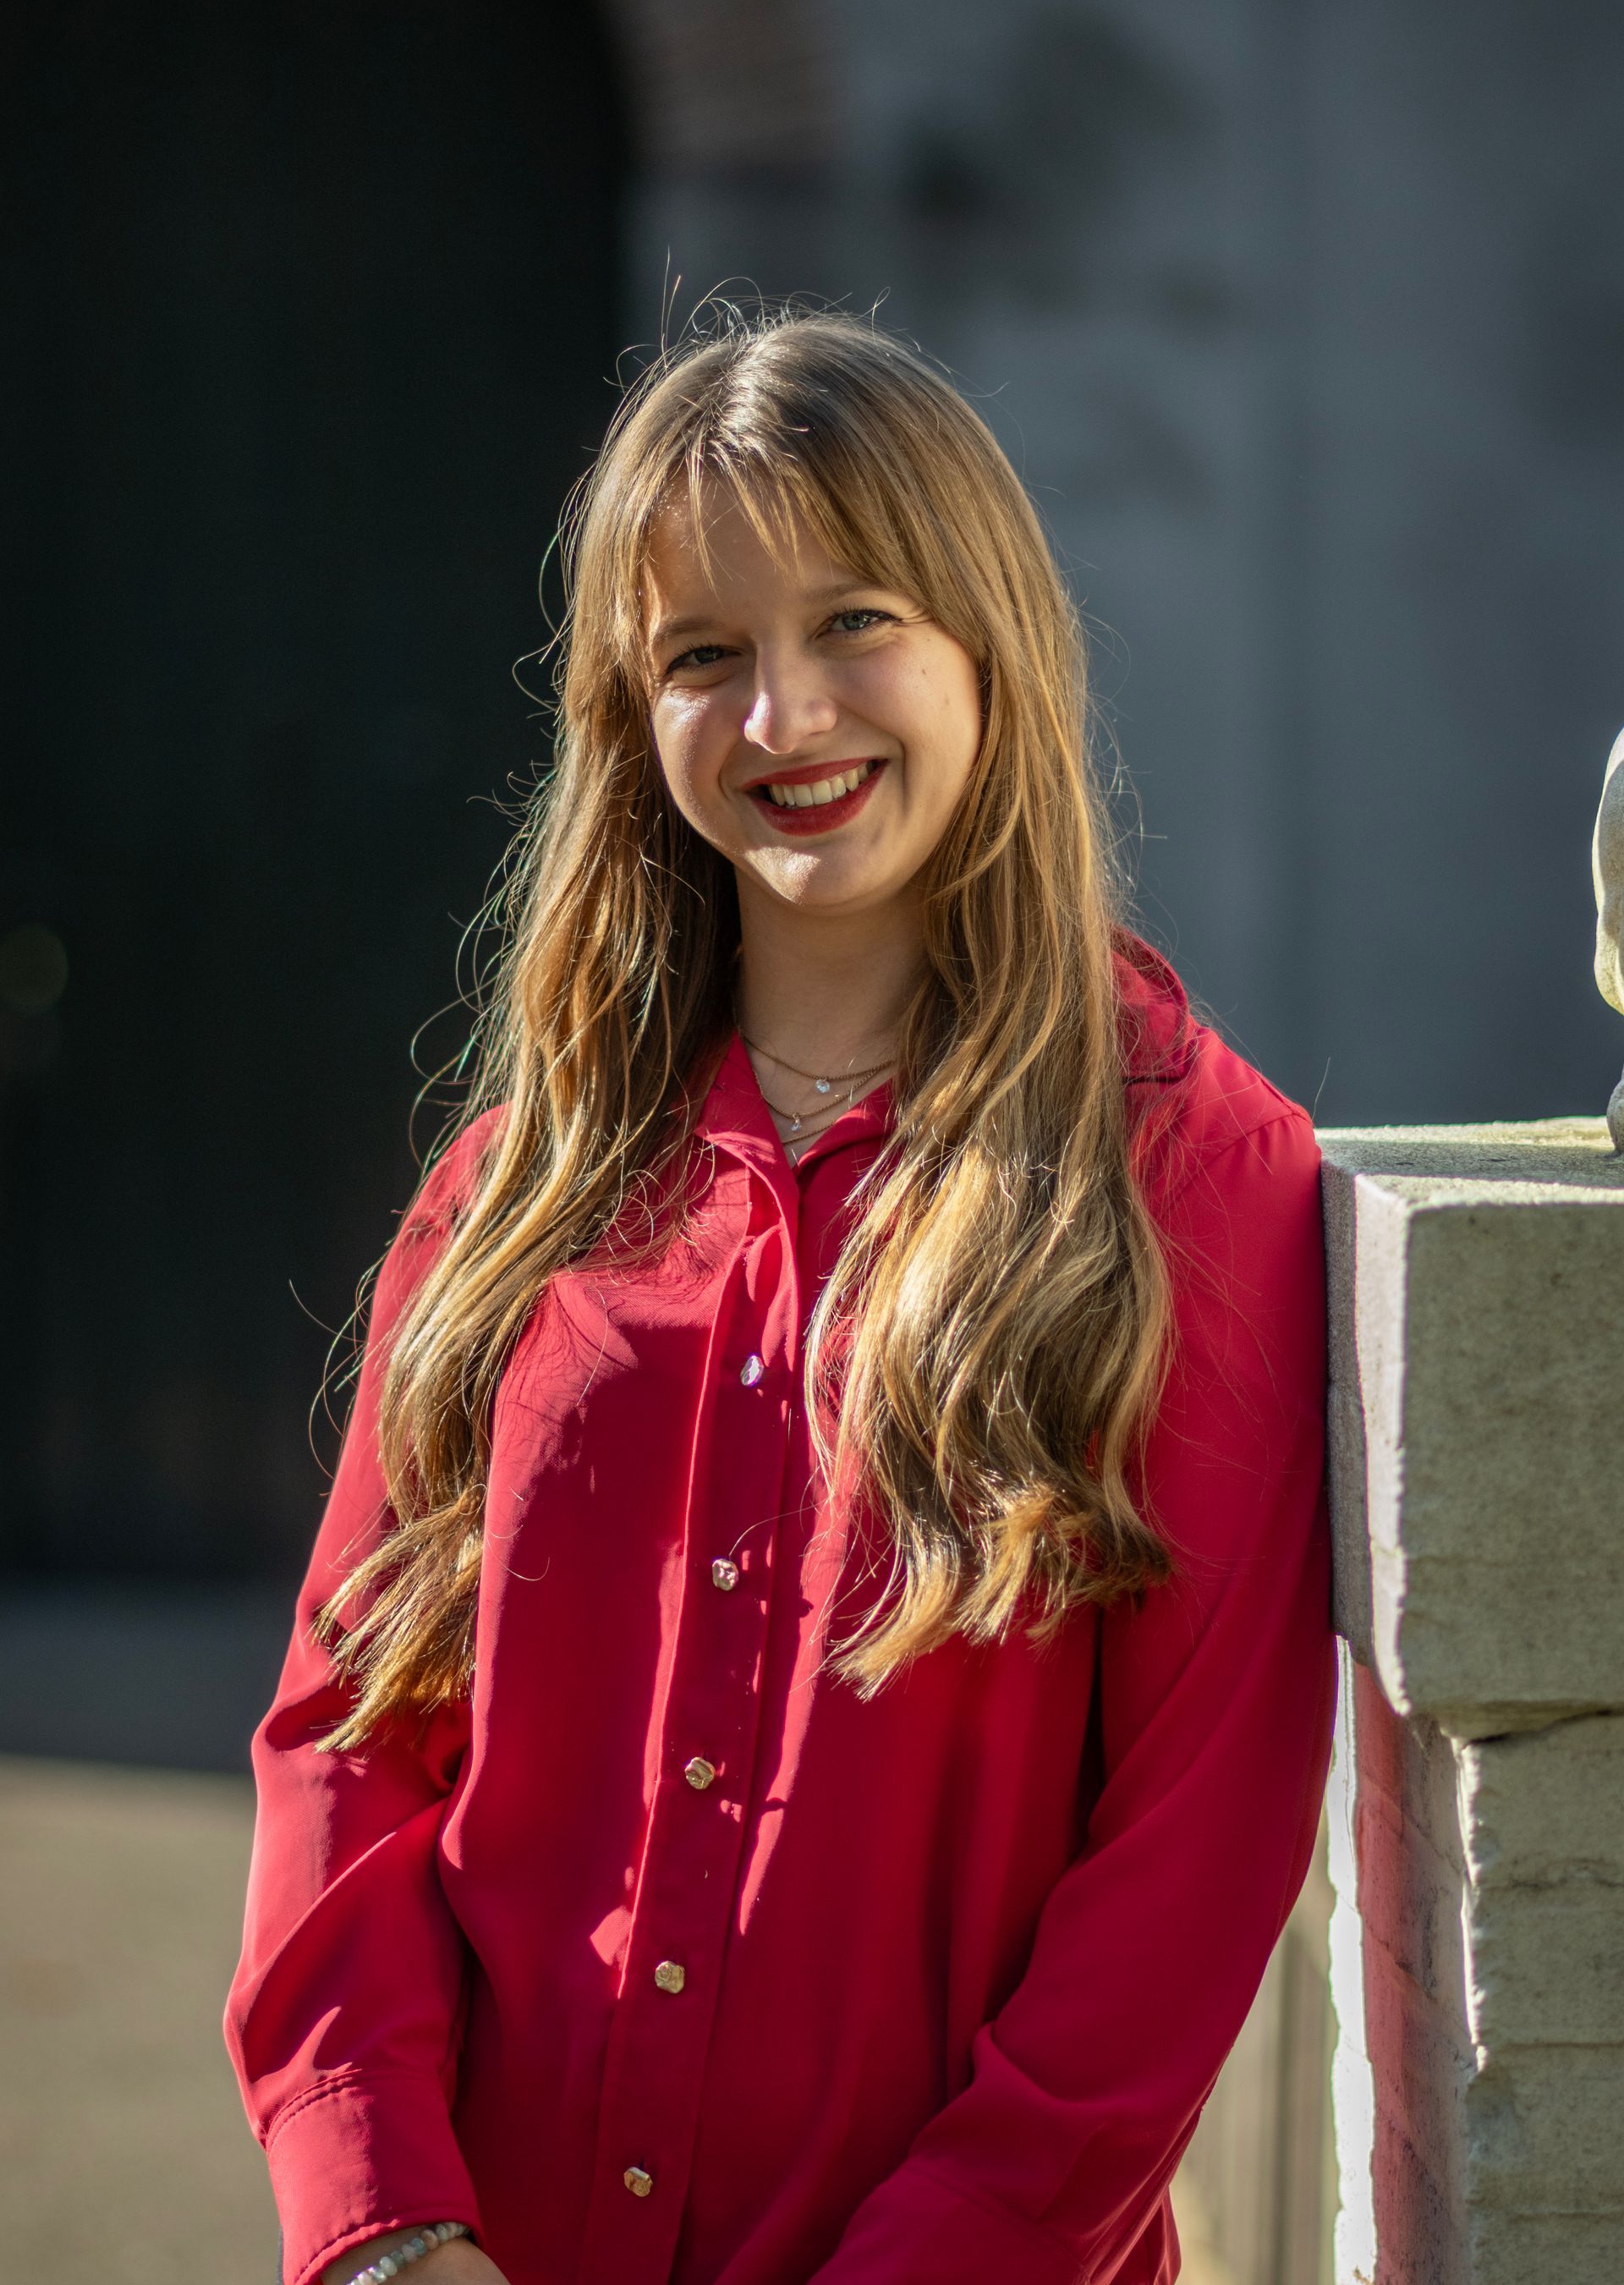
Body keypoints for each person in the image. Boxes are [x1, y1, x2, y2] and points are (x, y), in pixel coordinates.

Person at [225, 310, 1336, 2285]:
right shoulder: (523, 1181)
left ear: (986, 642)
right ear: (630, 720)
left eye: (854, 622)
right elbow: (346, 1731)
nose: (782, 719)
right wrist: (386, 2224)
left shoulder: (1191, 1179)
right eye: (702, 658)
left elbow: (1185, 1877)